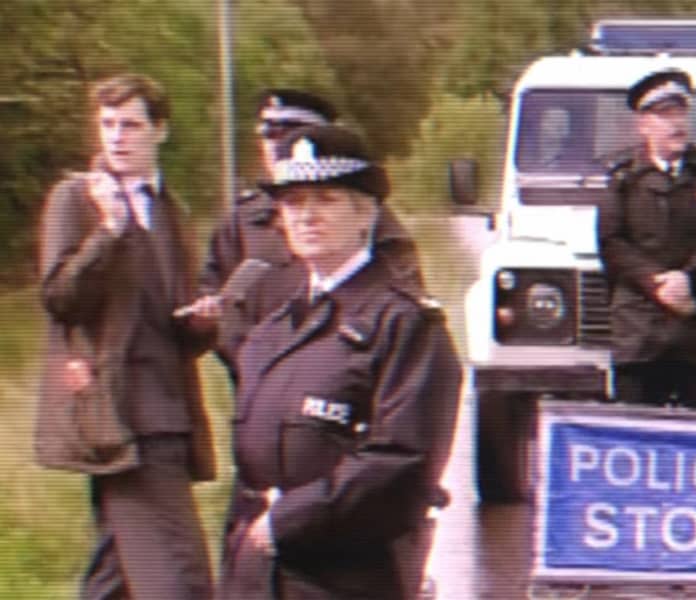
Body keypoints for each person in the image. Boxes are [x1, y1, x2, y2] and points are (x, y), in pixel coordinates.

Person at [217, 125, 462, 600]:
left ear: (366, 211)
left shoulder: (404, 324)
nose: (306, 215)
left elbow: (401, 462)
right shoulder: (273, 329)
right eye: (293, 203)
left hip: (348, 576)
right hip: (260, 574)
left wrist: (285, 522)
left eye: (326, 199)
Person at [33, 73, 216, 599]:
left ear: (160, 131)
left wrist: (202, 320)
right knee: (180, 578)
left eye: (131, 125)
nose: (117, 137)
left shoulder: (171, 210)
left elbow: (172, 324)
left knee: (114, 578)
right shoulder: (76, 198)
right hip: (120, 418)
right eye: (108, 124)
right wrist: (108, 234)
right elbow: (60, 300)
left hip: (173, 412)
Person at [200, 89, 422, 380]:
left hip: (347, 375)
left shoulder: (364, 212)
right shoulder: (241, 220)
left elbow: (402, 297)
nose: (276, 144)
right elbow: (219, 302)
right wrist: (254, 360)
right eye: (268, 134)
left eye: (289, 133)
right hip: (260, 377)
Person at [598, 68, 696, 409]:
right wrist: (656, 283)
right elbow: (611, 243)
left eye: (680, 112)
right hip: (641, 338)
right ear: (643, 125)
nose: (676, 123)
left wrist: (690, 276)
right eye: (664, 114)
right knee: (635, 435)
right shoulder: (624, 180)